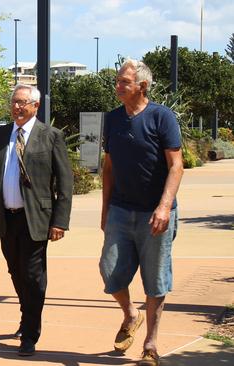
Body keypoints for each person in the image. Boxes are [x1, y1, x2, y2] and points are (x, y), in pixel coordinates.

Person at [0, 84, 73, 356]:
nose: (17, 107)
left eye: (22, 103)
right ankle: (26, 312)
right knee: (15, 271)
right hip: (6, 217)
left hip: (37, 219)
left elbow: (65, 182)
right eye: (14, 102)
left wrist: (60, 221)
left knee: (33, 275)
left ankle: (30, 334)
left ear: (35, 106)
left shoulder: (50, 136)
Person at [100, 59, 183, 366]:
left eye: (124, 82)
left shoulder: (162, 116)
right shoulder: (113, 119)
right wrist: (105, 209)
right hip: (121, 210)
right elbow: (108, 168)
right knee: (109, 270)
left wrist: (164, 207)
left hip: (155, 214)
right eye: (118, 80)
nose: (118, 86)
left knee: (155, 280)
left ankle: (150, 344)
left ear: (142, 86)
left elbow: (176, 165)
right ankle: (130, 314)